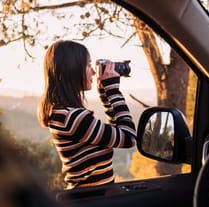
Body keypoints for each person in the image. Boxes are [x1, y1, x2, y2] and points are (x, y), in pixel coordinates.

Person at [37, 40, 137, 190]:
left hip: (93, 197)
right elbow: (129, 138)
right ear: (73, 69)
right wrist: (114, 92)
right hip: (92, 199)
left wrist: (104, 94)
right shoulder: (72, 118)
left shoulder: (63, 113)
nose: (93, 71)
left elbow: (113, 134)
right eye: (89, 65)